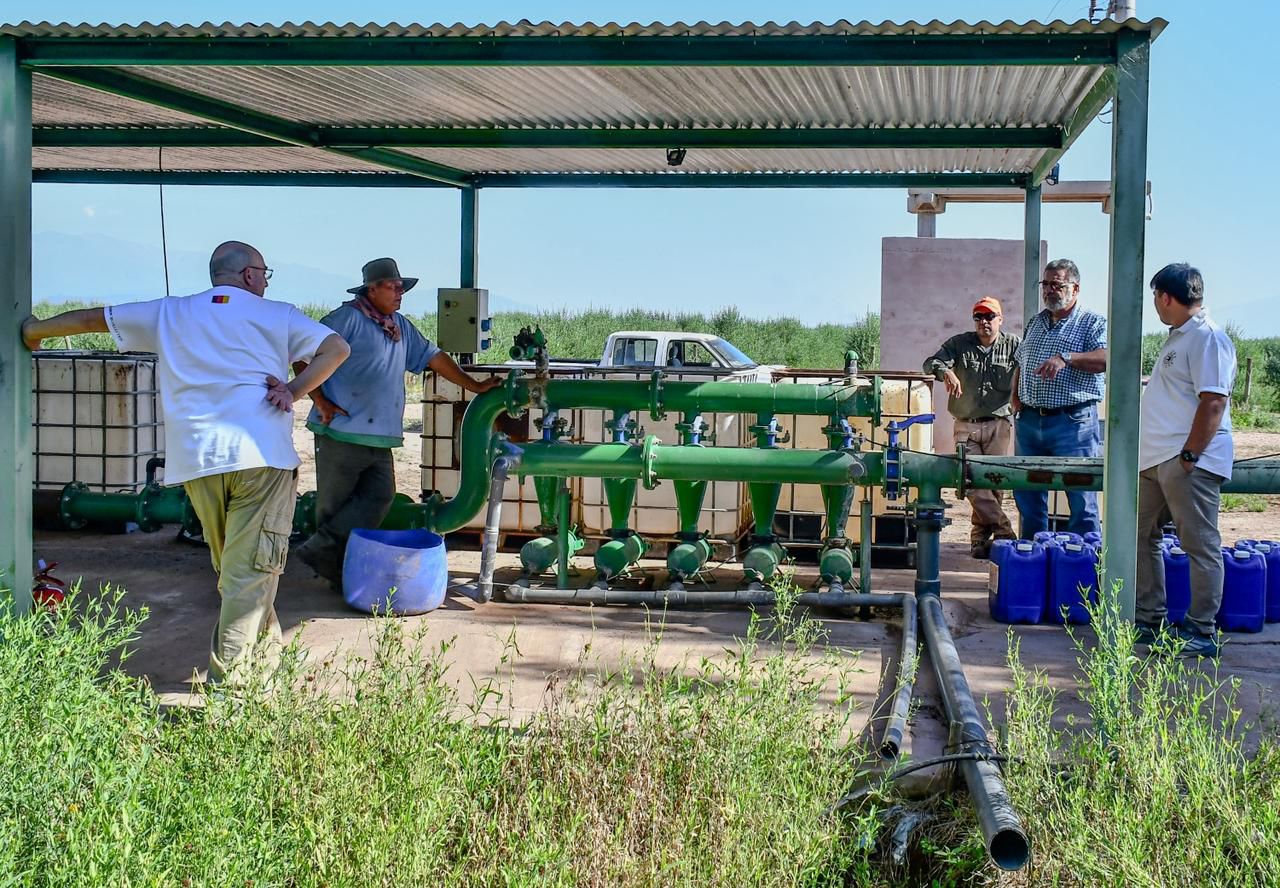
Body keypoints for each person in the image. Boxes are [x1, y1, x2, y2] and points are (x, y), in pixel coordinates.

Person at [22, 241, 350, 685]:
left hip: (198, 461)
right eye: (266, 272)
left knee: (239, 572)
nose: (267, 280)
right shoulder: (279, 314)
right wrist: (293, 391)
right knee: (248, 574)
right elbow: (336, 349)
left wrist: (36, 331)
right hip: (261, 458)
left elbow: (90, 319)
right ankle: (232, 693)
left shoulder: (169, 312)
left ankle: (267, 670)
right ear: (250, 276)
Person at [292, 257, 501, 589]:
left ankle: (323, 552)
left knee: (381, 496)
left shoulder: (399, 326)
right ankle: (336, 573)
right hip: (341, 431)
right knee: (335, 506)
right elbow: (301, 356)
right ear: (371, 289)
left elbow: (433, 357)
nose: (400, 293)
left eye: (402, 287)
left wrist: (473, 386)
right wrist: (319, 400)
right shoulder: (345, 320)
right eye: (393, 286)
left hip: (380, 436)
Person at [1135, 263, 1236, 658]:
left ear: (1165, 296)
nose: (1156, 306)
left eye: (1155, 298)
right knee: (1140, 536)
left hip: (1184, 461)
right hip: (1157, 459)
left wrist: (1190, 457)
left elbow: (1213, 401)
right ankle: (1148, 619)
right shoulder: (1179, 337)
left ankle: (1201, 630)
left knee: (1200, 544)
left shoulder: (1207, 338)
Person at [1010, 259, 1108, 537]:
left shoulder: (1092, 322)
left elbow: (1105, 358)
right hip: (1029, 422)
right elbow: (1021, 362)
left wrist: (1067, 358)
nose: (1050, 290)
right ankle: (1034, 558)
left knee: (1081, 497)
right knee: (1028, 496)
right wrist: (1015, 397)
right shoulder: (1036, 322)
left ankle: (1084, 566)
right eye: (1046, 284)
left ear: (1075, 289)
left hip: (1072, 424)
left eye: (1057, 284)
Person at [923, 296, 1021, 558]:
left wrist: (1019, 395)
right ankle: (1005, 532)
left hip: (998, 423)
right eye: (979, 317)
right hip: (966, 425)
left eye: (989, 317)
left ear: (1000, 319)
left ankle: (979, 540)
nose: (984, 322)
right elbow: (932, 362)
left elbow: (1029, 365)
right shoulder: (959, 343)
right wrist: (947, 372)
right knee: (971, 480)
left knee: (994, 484)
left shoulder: (1013, 345)